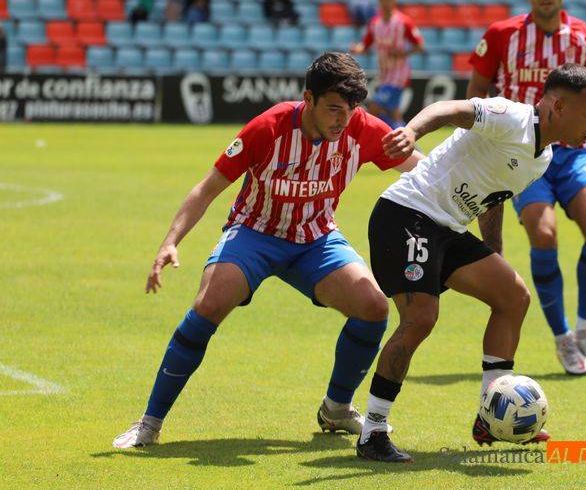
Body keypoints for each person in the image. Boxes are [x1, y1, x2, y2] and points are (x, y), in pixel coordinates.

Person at [112, 53, 423, 449]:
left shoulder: (360, 127)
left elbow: (421, 168)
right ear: (307, 98)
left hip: (316, 239)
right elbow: (207, 188)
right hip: (255, 234)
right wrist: (170, 242)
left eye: (349, 110)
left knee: (374, 307)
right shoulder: (269, 127)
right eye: (332, 109)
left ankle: (336, 409)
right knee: (209, 304)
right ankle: (149, 424)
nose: (341, 120)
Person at [355, 64, 586, 462]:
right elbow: (449, 108)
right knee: (421, 317)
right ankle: (373, 431)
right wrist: (412, 132)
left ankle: (491, 417)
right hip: (407, 213)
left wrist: (494, 256)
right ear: (558, 105)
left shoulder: (541, 159)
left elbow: (492, 200)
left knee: (513, 296)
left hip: (447, 227)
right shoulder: (513, 118)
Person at [466, 0, 586, 376]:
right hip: (526, 155)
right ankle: (563, 338)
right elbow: (476, 92)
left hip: (574, 154)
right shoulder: (502, 35)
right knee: (543, 231)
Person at [350, 0, 424, 129]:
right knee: (394, 114)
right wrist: (357, 49)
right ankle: (408, 142)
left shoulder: (403, 22)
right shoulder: (375, 23)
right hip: (384, 75)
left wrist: (403, 53)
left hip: (399, 75)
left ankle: (371, 140)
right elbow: (366, 45)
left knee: (374, 108)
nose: (386, 3)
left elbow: (419, 46)